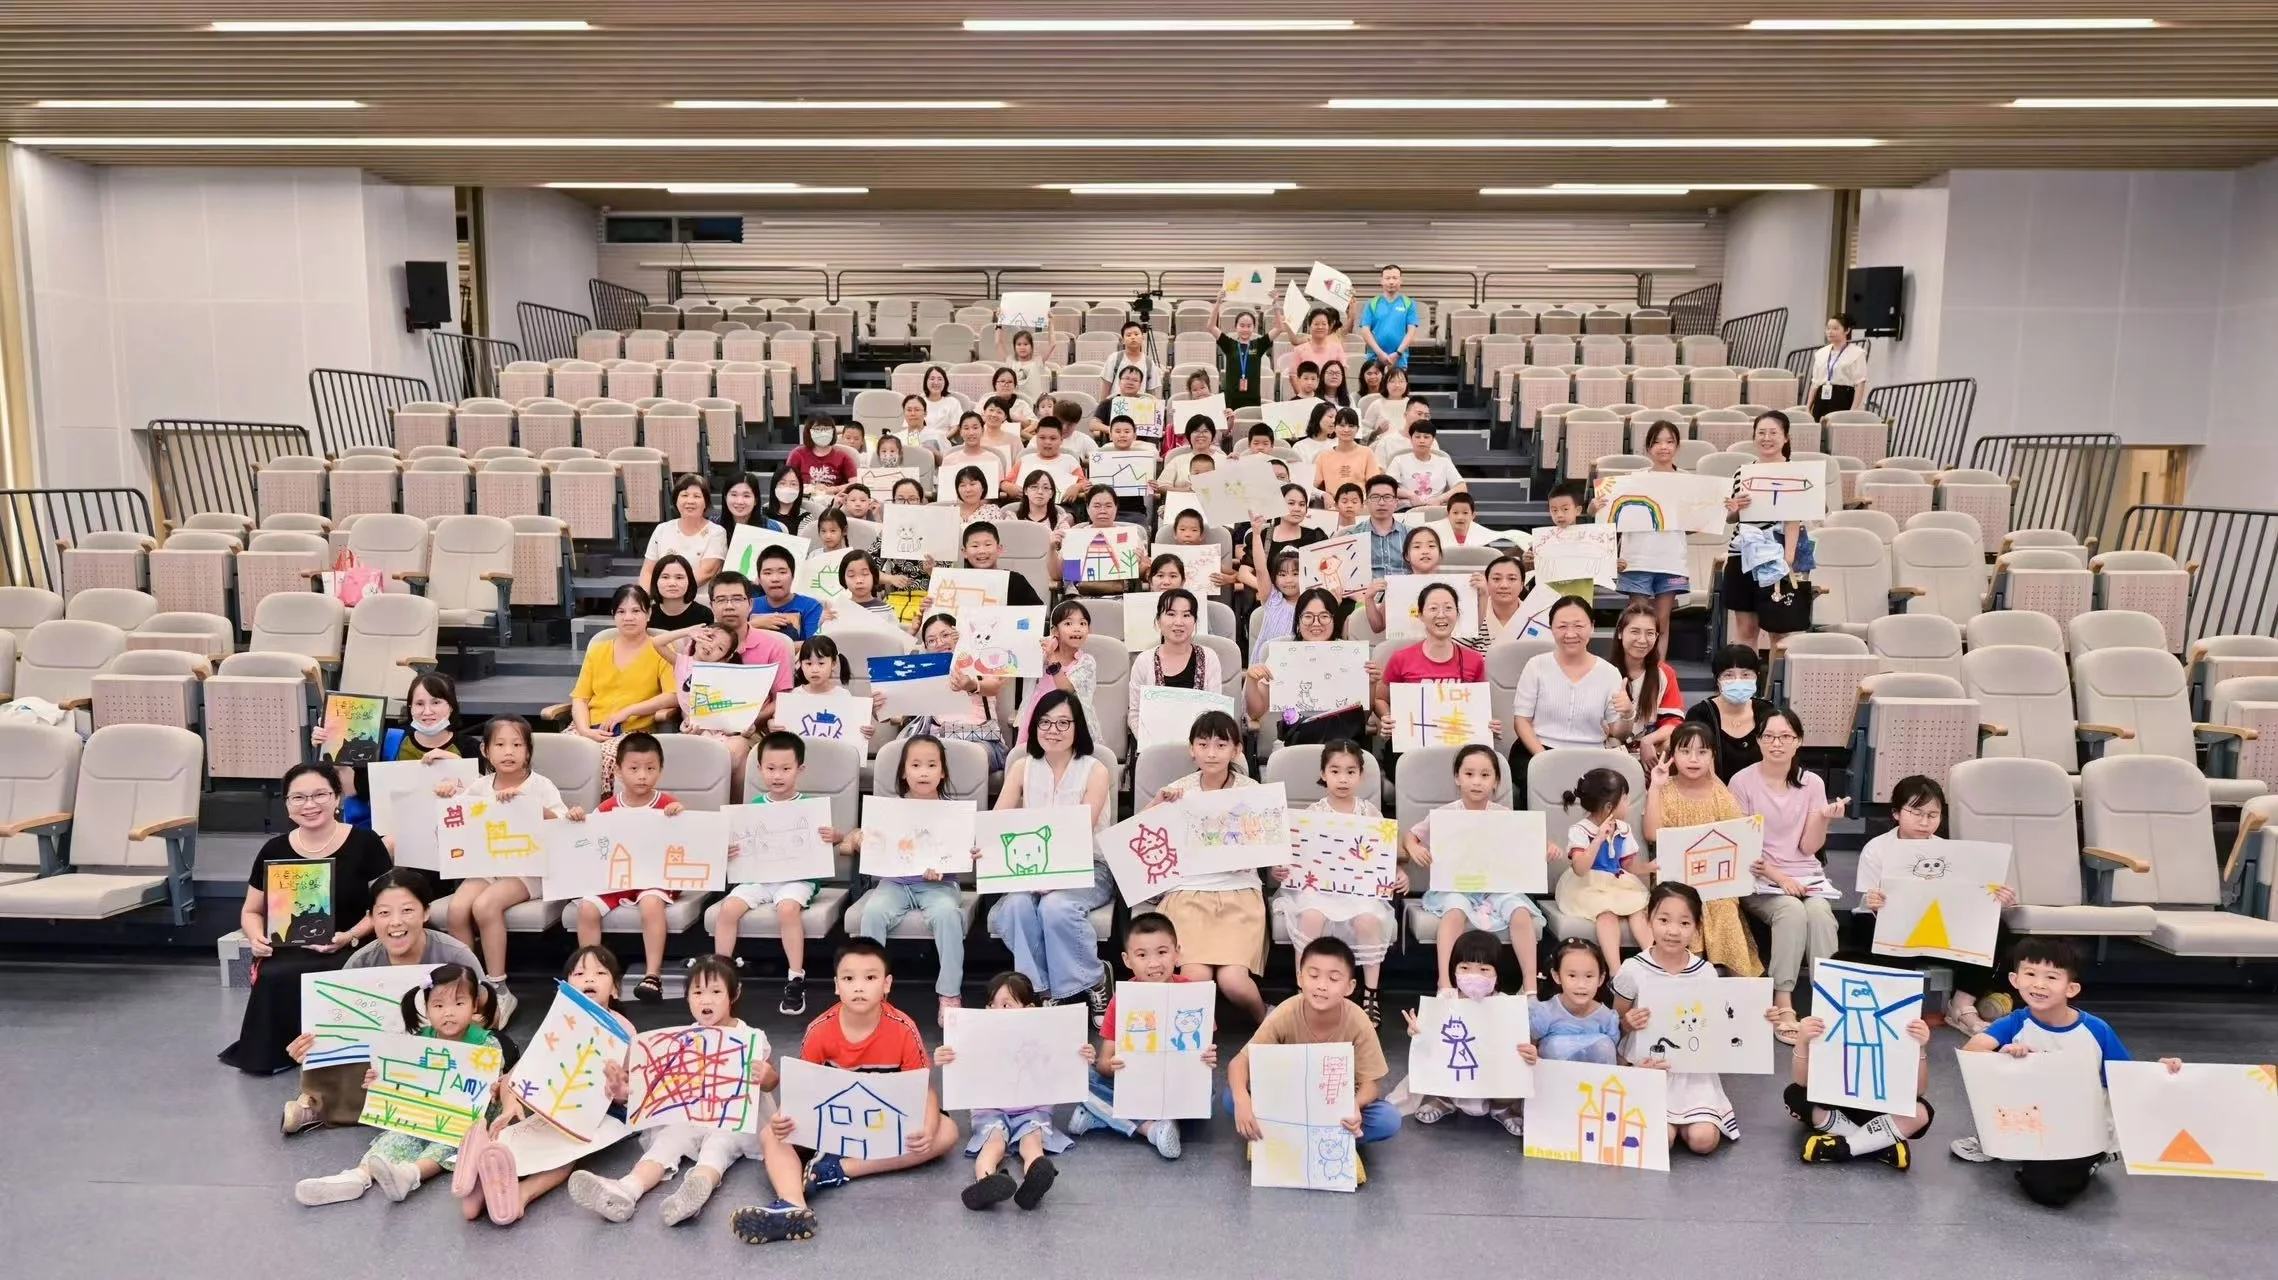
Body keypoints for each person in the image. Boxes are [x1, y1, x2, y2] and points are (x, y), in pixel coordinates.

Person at [722, 940, 954, 1238]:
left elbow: (925, 1090)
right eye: (848, 978)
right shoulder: (820, 1029)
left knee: (946, 1132)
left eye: (870, 978)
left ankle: (839, 1169)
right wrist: (783, 1118)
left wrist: (928, 1127)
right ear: (836, 985)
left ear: (887, 984)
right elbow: (801, 1090)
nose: (859, 987)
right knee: (771, 1133)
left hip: (881, 1125)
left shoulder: (903, 1028)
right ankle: (793, 1203)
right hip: (828, 1123)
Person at [569, 955, 811, 1233]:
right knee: (667, 1140)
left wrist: (767, 1077)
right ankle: (627, 1189)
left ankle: (696, 1192)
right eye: (697, 992)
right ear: (687, 998)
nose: (705, 1000)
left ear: (735, 994)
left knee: (718, 1146)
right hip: (691, 1113)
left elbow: (770, 1082)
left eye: (715, 992)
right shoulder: (682, 1039)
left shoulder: (750, 1036)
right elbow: (659, 1085)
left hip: (736, 1118)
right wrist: (624, 1091)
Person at [1950, 937, 2183, 1206]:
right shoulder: (2014, 1022)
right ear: (2014, 980)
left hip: (2079, 1128)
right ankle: (2008, 1144)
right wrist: (2000, 1055)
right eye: (2030, 974)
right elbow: (1972, 1051)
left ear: (2071, 988)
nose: (2038, 984)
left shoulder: (2096, 1030)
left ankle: (2094, 1155)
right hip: (2033, 1120)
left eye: (2051, 977)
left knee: (2049, 1190)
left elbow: (2126, 1078)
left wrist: (2162, 1069)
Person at [220, 761, 397, 1076]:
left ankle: (344, 1054)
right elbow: (250, 911)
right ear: (287, 805)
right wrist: (256, 937)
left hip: (352, 940)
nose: (310, 804)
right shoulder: (273, 849)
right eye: (298, 798)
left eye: (320, 795)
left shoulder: (365, 843)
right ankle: (279, 1052)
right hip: (291, 944)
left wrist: (350, 936)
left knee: (341, 968)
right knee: (275, 973)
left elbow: (385, 908)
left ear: (336, 798)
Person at [277, 870, 481, 1133]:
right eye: (384, 913)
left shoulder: (455, 955)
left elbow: (486, 1011)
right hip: (380, 1057)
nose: (396, 922)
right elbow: (335, 1024)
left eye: (407, 910)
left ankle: (349, 1106)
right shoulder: (361, 962)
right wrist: (308, 1047)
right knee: (336, 1053)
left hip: (438, 1048)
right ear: (371, 918)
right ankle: (316, 1105)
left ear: (426, 913)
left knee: (497, 1051)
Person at [291, 963, 505, 1208]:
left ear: (474, 1005)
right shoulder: (419, 1041)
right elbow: (404, 1078)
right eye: (438, 1005)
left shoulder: (486, 1044)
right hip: (424, 1111)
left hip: (464, 1118)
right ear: (426, 1008)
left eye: (459, 1004)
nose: (448, 1013)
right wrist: (381, 1081)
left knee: (450, 1142)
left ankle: (410, 1175)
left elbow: (493, 1086)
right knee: (396, 1136)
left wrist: (496, 1089)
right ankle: (356, 1176)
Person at [459, 947, 629, 1225]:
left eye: (600, 973)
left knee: (565, 1155)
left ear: (616, 990)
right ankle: (475, 1187)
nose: (590, 979)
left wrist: (617, 1085)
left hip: (600, 1116)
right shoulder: (559, 1025)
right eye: (580, 973)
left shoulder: (624, 1030)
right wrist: (510, 1104)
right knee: (512, 1138)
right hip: (551, 1106)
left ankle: (522, 1194)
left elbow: (630, 1093)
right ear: (565, 988)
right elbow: (520, 1072)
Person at [1613, 883, 1781, 1155]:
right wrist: (1627, 1022)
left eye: (1684, 922)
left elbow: (1719, 1023)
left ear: (1696, 927)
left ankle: (1688, 1117)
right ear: (1648, 920)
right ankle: (1666, 1120)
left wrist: (1760, 1016)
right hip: (1649, 1067)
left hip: (1693, 1071)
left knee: (1704, 1141)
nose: (1673, 930)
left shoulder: (1705, 972)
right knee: (1661, 1140)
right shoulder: (1633, 969)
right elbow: (1615, 1021)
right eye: (1664, 920)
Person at [987, 689, 1117, 1024]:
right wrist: (984, 844)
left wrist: (1053, 878)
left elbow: (1079, 831)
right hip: (1030, 869)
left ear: (1078, 728)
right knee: (1016, 906)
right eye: (1045, 722)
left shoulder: (1096, 770)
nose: (1053, 730)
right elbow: (999, 821)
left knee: (1056, 906)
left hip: (1089, 867)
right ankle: (1040, 993)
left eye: (1063, 723)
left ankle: (1094, 978)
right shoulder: (1022, 768)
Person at [1853, 776, 2017, 1035]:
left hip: (1935, 928)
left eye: (1933, 815)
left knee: (1997, 927)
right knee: (1874, 929)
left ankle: (1961, 1006)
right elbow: (1865, 899)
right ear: (1896, 813)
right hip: (1887, 925)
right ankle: (1898, 1008)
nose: (1924, 822)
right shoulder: (1877, 849)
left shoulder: (1948, 850)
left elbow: (1967, 897)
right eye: (1916, 813)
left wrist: (1996, 897)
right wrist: (1872, 900)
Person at [1228, 938, 1401, 1173]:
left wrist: (1355, 1104)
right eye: (1313, 975)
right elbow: (1240, 1062)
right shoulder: (1286, 1012)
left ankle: (1321, 1137)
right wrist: (1242, 1101)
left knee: (1388, 1119)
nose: (1322, 985)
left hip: (1335, 1106)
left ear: (1350, 987)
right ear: (1300, 978)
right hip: (1288, 1099)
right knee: (1232, 1099)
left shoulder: (1359, 1020)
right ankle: (1301, 1135)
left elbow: (1371, 1084)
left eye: (1333, 978)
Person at [436, 716, 567, 1024]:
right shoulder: (479, 787)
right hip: (487, 866)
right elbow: (458, 824)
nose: (509, 751)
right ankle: (466, 985)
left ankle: (499, 988)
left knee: (485, 905)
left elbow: (562, 825)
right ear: (485, 750)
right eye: (500, 744)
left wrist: (530, 806)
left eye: (517, 745)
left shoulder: (540, 785)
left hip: (528, 869)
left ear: (528, 751)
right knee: (457, 909)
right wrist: (449, 797)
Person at [1145, 711, 1272, 1025]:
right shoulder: (1178, 790)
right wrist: (1158, 803)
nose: (1211, 752)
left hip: (1238, 893)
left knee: (1234, 982)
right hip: (1188, 893)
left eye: (1220, 744)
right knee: (1195, 978)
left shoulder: (1251, 790)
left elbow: (1268, 845)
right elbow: (1141, 835)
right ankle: (1201, 1030)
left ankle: (1265, 1021)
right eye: (1203, 744)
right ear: (1192, 749)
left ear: (1236, 750)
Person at [1729, 708, 1847, 1034]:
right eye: (1769, 736)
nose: (1777, 743)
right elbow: (1743, 846)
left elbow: (1809, 848)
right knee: (1791, 911)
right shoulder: (1742, 782)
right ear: (1758, 740)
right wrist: (1780, 878)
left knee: (1821, 913)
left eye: (1785, 737)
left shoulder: (1812, 783)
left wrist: (1823, 816)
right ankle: (1783, 1001)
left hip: (1805, 874)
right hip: (1760, 878)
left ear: (1799, 742)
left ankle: (1832, 999)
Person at [934, 971, 1093, 1211]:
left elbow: (1061, 1059)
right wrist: (944, 1055)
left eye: (1006, 1004)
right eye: (993, 1005)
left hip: (1033, 1107)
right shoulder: (979, 1036)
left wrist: (1082, 1055)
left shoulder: (1043, 1038)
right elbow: (962, 1059)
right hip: (990, 1108)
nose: (998, 1010)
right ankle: (985, 1183)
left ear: (1028, 1008)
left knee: (1032, 1142)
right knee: (994, 1143)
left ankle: (1035, 1180)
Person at [711, 731, 843, 1016]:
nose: (777, 775)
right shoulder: (753, 808)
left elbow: (837, 839)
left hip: (798, 878)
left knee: (787, 909)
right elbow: (740, 848)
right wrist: (730, 851)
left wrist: (833, 836)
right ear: (759, 770)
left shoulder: (810, 808)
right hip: (758, 877)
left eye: (785, 769)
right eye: (770, 769)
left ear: (800, 769)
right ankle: (722, 975)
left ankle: (796, 977)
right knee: (728, 909)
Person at [1068, 912, 1220, 1157]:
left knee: (1208, 1094)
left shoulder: (1193, 994)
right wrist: (1113, 1064)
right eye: (1142, 955)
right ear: (1127, 960)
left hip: (1174, 1083)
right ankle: (1151, 1129)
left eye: (1162, 952)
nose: (1153, 963)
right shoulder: (1123, 1001)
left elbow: (1204, 1053)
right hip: (1132, 1084)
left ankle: (1103, 1115)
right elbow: (1104, 1063)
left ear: (1177, 953)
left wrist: (1207, 1059)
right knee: (1082, 1078)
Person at [1271, 740, 1402, 1022]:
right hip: (1318, 889)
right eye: (1335, 771)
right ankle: (1302, 991)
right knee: (1311, 917)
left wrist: (1397, 872)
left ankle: (1370, 993)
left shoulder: (1370, 814)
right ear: (1323, 774)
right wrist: (1279, 871)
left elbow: (1384, 856)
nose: (1343, 779)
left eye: (1350, 771)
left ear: (1362, 775)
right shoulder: (1313, 814)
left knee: (1368, 920)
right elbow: (1294, 857)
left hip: (1359, 890)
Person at [1406, 745, 1547, 997]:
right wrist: (1414, 849)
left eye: (1485, 775)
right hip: (1455, 886)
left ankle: (1530, 987)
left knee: (1520, 911)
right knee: (1455, 910)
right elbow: (1411, 837)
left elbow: (1530, 840)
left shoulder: (1504, 815)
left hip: (1495, 888)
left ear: (1496, 781)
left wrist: (1550, 847)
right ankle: (1445, 983)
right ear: (1457, 778)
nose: (1477, 782)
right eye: (1469, 774)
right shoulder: (1445, 814)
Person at [852, 735, 972, 1023]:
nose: (924, 771)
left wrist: (943, 866)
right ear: (904, 772)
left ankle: (949, 993)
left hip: (938, 886)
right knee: (873, 913)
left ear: (942, 772)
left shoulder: (952, 813)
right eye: (916, 765)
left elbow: (957, 855)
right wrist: (860, 839)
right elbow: (860, 840)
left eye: (932, 765)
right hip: (895, 883)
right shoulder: (888, 811)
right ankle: (873, 993)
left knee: (947, 915)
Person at [1639, 722, 1766, 977]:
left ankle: (1739, 990)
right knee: (1680, 906)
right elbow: (1652, 834)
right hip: (1674, 880)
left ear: (1712, 757)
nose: (1693, 759)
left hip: (1716, 883)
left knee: (1724, 909)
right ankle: (1684, 978)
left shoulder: (1720, 792)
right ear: (1673, 755)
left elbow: (1739, 836)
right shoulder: (1665, 789)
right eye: (1685, 751)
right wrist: (1655, 787)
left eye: (1702, 752)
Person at [567, 732, 685, 1002]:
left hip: (654, 879)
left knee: (651, 903)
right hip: (616, 879)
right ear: (618, 771)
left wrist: (679, 816)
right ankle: (594, 975)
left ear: (660, 770)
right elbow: (587, 841)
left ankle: (652, 975)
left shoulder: (668, 805)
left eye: (650, 769)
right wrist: (576, 819)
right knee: (586, 908)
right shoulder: (607, 808)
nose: (642, 775)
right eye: (634, 769)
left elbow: (685, 840)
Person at [1403, 929, 1540, 1134]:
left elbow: (1521, 1042)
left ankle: (1502, 1107)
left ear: (1497, 973)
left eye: (1484, 970)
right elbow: (1431, 1042)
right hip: (1456, 1066)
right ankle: (1445, 1100)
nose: (1473, 976)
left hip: (1491, 1072)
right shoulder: (1446, 1000)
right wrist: (1416, 1031)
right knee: (1446, 1063)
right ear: (1454, 970)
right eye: (1465, 968)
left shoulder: (1505, 1004)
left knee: (1516, 1064)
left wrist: (1530, 1050)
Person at [1506, 594, 1631, 799]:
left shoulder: (1609, 673)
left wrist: (1627, 713)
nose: (1570, 633)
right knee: (1540, 786)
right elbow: (1521, 721)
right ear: (1551, 629)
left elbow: (1618, 733)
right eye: (1562, 626)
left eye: (1578, 626)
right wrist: (1544, 758)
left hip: (1590, 755)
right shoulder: (1536, 666)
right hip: (1537, 750)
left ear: (1591, 627)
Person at [1787, 1003, 1934, 1169]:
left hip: (1879, 1107)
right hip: (1835, 1104)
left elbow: (1918, 1090)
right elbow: (1802, 1082)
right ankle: (1878, 1145)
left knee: (1921, 1112)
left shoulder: (1902, 1021)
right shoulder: (1827, 1020)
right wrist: (1801, 1041)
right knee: (1794, 1095)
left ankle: (1849, 1146)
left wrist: (1920, 1048)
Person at [333, 671, 477, 833]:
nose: (427, 711)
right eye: (419, 704)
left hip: (454, 834)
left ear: (451, 706)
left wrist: (456, 765)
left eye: (436, 702)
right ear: (410, 708)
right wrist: (332, 745)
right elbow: (355, 789)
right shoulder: (390, 742)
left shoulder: (469, 747)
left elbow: (482, 796)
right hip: (397, 834)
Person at [571, 584, 677, 792]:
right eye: (621, 611)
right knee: (558, 754)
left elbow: (672, 696)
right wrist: (583, 730)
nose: (628, 617)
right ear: (613, 615)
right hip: (589, 727)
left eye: (636, 611)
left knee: (605, 758)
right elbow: (580, 698)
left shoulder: (660, 649)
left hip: (631, 730)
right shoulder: (598, 650)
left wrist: (627, 711)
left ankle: (602, 813)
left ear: (649, 614)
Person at [876, 613, 1009, 772]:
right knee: (912, 758)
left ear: (959, 635)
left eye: (945, 635)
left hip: (983, 741)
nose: (939, 643)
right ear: (926, 647)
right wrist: (878, 706)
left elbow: (994, 686)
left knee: (970, 756)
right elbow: (890, 711)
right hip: (937, 740)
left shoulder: (982, 660)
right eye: (931, 640)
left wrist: (972, 684)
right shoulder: (923, 673)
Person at [1723, 410, 1809, 652]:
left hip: (1777, 556)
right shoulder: (1743, 472)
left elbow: (1794, 519)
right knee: (1746, 629)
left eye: (1773, 432)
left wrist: (1788, 559)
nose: (1766, 438)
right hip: (1743, 555)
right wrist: (1735, 508)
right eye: (1761, 433)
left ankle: (1773, 689)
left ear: (1786, 437)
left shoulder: (1796, 473)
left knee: (1778, 630)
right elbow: (1731, 518)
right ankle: (1746, 685)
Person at [1374, 583, 1489, 755]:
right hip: (1411, 748)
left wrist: (1487, 725)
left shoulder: (1475, 660)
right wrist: (1387, 717)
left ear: (1457, 614)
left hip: (1460, 748)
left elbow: (1480, 708)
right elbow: (1380, 698)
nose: (1441, 615)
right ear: (1420, 615)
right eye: (1433, 608)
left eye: (1448, 608)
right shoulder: (1401, 658)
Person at [1245, 586, 1369, 745]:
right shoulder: (1282, 653)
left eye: (1324, 616)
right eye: (1308, 616)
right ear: (1298, 619)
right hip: (1295, 741)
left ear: (1334, 618)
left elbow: (1362, 715)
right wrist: (1251, 681)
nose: (1316, 623)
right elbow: (1255, 712)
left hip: (1341, 743)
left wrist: (1370, 682)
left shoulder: (1350, 654)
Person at [1556, 767, 1652, 972]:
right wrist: (1598, 839)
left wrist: (1649, 867)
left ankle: (1653, 961)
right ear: (1609, 806)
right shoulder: (1580, 831)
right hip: (1586, 885)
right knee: (1606, 915)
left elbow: (1628, 865)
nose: (1628, 804)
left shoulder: (1623, 829)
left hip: (1616, 881)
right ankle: (1616, 972)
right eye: (1625, 799)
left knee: (1638, 912)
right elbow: (1580, 869)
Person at [1614, 419, 1691, 648]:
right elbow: (1611, 513)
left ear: (1677, 447)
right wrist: (1596, 506)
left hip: (1671, 559)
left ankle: (1657, 676)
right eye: (1657, 442)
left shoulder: (1690, 481)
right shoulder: (1633, 479)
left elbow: (1696, 523)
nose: (1663, 447)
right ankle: (1633, 672)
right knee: (1637, 620)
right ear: (1648, 448)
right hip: (1637, 558)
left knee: (1661, 621)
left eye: (1669, 441)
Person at [1127, 589, 1224, 731]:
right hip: (1155, 746)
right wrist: (1148, 742)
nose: (1178, 622)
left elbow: (1216, 711)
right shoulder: (1143, 661)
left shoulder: (1209, 657)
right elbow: (1135, 714)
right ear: (1158, 621)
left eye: (1186, 615)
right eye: (1171, 614)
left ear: (1195, 621)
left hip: (1201, 745)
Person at [1685, 644, 1777, 781]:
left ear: (1757, 677)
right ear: (1717, 679)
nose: (1738, 681)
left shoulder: (1767, 712)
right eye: (1729, 675)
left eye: (1746, 674)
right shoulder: (1700, 714)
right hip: (1714, 795)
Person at [1610, 602, 1685, 771]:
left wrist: (1648, 740)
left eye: (1650, 633)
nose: (1642, 640)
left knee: (1673, 742)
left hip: (1650, 751)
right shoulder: (1604, 672)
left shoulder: (1664, 673)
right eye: (1635, 631)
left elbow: (1674, 721)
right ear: (1621, 633)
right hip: (1612, 750)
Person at [1019, 598, 1097, 745]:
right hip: (1040, 717)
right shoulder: (1041, 655)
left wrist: (1052, 660)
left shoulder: (1086, 662)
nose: (1077, 628)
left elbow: (1066, 688)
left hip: (1069, 721)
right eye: (1068, 623)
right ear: (1055, 631)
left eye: (1083, 623)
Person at [1532, 939, 1621, 1065]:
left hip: (1597, 1082)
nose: (1581, 985)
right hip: (1553, 1080)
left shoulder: (1607, 1018)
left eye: (1589, 976)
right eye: (1572, 976)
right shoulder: (1544, 1013)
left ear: (1600, 979)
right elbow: (1529, 1049)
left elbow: (1616, 1059)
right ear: (1557, 976)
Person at [642, 474, 726, 596]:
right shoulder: (662, 529)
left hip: (698, 602)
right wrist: (644, 600)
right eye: (684, 495)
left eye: (697, 496)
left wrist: (673, 593)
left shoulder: (716, 532)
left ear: (706, 503)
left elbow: (707, 573)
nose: (690, 501)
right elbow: (648, 571)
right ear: (676, 500)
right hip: (662, 599)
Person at [1361, 525, 1446, 634]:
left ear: (1440, 554)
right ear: (1407, 555)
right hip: (1406, 645)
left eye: (1431, 546)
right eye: (1417, 547)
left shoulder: (1452, 585)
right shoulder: (1398, 585)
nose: (1425, 551)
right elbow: (1378, 626)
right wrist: (1369, 598)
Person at [1531, 479, 1598, 601]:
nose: (1559, 515)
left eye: (1565, 509)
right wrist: (1528, 561)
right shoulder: (1543, 540)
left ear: (1577, 510)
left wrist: (1613, 564)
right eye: (1554, 510)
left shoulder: (1592, 537)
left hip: (1582, 593)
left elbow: (1601, 563)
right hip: (1551, 594)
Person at [954, 521, 1046, 608]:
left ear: (999, 549)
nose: (982, 551)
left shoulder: (1015, 581)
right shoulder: (957, 583)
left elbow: (1037, 614)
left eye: (988, 544)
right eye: (975, 546)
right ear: (964, 552)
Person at [749, 542, 825, 641]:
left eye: (782, 572)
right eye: (767, 573)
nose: (775, 579)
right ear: (758, 579)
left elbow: (813, 646)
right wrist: (753, 625)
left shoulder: (811, 606)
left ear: (793, 576)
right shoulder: (748, 605)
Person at [1209, 300, 1275, 411]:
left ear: (1254, 327)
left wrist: (1276, 306)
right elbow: (1211, 327)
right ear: (1236, 327)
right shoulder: (1230, 344)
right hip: (1231, 398)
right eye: (1242, 325)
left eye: (1249, 326)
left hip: (1252, 398)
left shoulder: (1258, 345)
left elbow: (1279, 329)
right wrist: (1218, 303)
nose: (1245, 329)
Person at [1386, 420, 1464, 507]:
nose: (1422, 441)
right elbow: (1386, 488)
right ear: (1411, 439)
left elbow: (1461, 487)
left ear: (1433, 440)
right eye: (1417, 437)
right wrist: (1409, 495)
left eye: (1426, 437)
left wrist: (1439, 499)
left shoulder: (1444, 462)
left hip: (1436, 508)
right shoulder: (1398, 460)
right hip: (1406, 509)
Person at [1244, 549, 1304, 661]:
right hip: (1267, 665)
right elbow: (1260, 570)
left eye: (1295, 574)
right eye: (1282, 574)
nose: (1289, 580)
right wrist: (1256, 535)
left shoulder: (1311, 605)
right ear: (1274, 579)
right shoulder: (1273, 599)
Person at [1463, 554, 1530, 653]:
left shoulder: (1537, 617)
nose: (1504, 585)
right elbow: (1456, 656)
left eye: (1512, 579)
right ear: (1487, 583)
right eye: (1496, 579)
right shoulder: (1471, 616)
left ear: (1521, 585)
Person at [1806, 312, 1870, 417]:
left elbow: (1860, 384)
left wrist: (1853, 410)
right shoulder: (1821, 353)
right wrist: (1808, 407)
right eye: (1828, 328)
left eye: (1835, 328)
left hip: (1843, 396)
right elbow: (1815, 383)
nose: (1830, 332)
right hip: (1822, 397)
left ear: (1847, 330)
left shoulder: (1857, 353)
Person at [1357, 265, 1420, 370]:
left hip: (1399, 359)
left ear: (1401, 281)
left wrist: (1398, 353)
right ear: (1381, 281)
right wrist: (1380, 353)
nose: (1391, 282)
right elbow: (1365, 331)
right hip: (1374, 358)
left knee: (1397, 386)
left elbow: (1411, 333)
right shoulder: (1372, 303)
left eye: (1395, 278)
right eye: (1387, 278)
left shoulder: (1409, 303)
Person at [829, 550, 905, 631]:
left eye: (865, 574)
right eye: (851, 575)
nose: (859, 580)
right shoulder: (837, 611)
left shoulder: (886, 610)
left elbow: (896, 640)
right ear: (843, 579)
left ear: (874, 576)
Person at [1014, 417, 1086, 501]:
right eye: (1042, 438)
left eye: (1053, 438)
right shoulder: (1024, 460)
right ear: (1036, 439)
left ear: (1061, 440)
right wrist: (1010, 487)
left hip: (1061, 508)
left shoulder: (1070, 461)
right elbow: (1006, 482)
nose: (1047, 442)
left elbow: (1085, 483)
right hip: (1026, 508)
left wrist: (1076, 487)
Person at [1350, 474, 1407, 582]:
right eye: (1375, 497)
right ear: (1366, 503)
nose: (1381, 503)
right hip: (1365, 594)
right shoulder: (1352, 536)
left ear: (1396, 502)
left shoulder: (1411, 535)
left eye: (1387, 497)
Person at [1312, 407, 1378, 499]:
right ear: (1334, 428)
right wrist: (1324, 495)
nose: (1346, 430)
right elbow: (1311, 486)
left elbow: (1374, 485)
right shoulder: (1324, 456)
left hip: (1361, 505)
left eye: (1351, 426)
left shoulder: (1367, 453)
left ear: (1357, 429)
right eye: (1342, 425)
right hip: (1333, 507)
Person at [786, 416, 862, 494]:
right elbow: (787, 481)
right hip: (804, 499)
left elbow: (855, 483)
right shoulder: (797, 454)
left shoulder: (843, 456)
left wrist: (833, 489)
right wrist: (807, 488)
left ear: (833, 431)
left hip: (833, 501)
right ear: (809, 431)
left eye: (826, 429)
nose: (823, 433)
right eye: (818, 429)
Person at [717, 472, 783, 555]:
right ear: (725, 497)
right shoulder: (713, 526)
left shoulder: (771, 528)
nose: (739, 501)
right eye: (734, 495)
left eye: (746, 496)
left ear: (755, 500)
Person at [644, 553, 713, 631]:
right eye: (665, 577)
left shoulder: (703, 614)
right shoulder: (646, 614)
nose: (672, 583)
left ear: (690, 581)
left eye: (679, 577)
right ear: (655, 581)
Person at [943, 414, 1008, 497]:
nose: (971, 433)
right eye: (966, 428)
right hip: (955, 507)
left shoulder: (994, 459)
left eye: (975, 428)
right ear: (960, 432)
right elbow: (946, 493)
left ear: (982, 430)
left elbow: (996, 491)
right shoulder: (949, 460)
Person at [1277, 305, 1349, 378]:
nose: (1320, 327)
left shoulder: (1337, 348)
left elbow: (1342, 371)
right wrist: (1287, 325)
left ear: (1330, 325)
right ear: (1310, 326)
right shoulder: (1301, 347)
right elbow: (1294, 376)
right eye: (1316, 324)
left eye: (1324, 324)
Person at [1009, 467, 1074, 533]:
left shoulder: (1059, 521)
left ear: (1051, 493)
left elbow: (1066, 541)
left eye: (1045, 488)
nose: (1040, 492)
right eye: (1034, 487)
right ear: (1025, 491)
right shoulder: (1013, 519)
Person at [947, 465, 1010, 530]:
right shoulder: (948, 512)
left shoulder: (992, 511)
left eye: (972, 484)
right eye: (962, 485)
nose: (968, 490)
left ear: (983, 487)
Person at [762, 465, 808, 531]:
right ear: (774, 486)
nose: (787, 488)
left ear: (800, 489)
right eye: (782, 483)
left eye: (793, 484)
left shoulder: (805, 517)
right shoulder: (762, 513)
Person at [919, 364, 961, 436]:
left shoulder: (953, 402)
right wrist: (914, 444)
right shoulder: (918, 402)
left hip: (944, 442)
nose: (936, 382)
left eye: (940, 379)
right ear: (926, 382)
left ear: (945, 382)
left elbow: (955, 427)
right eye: (932, 379)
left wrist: (941, 440)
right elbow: (911, 427)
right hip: (919, 442)